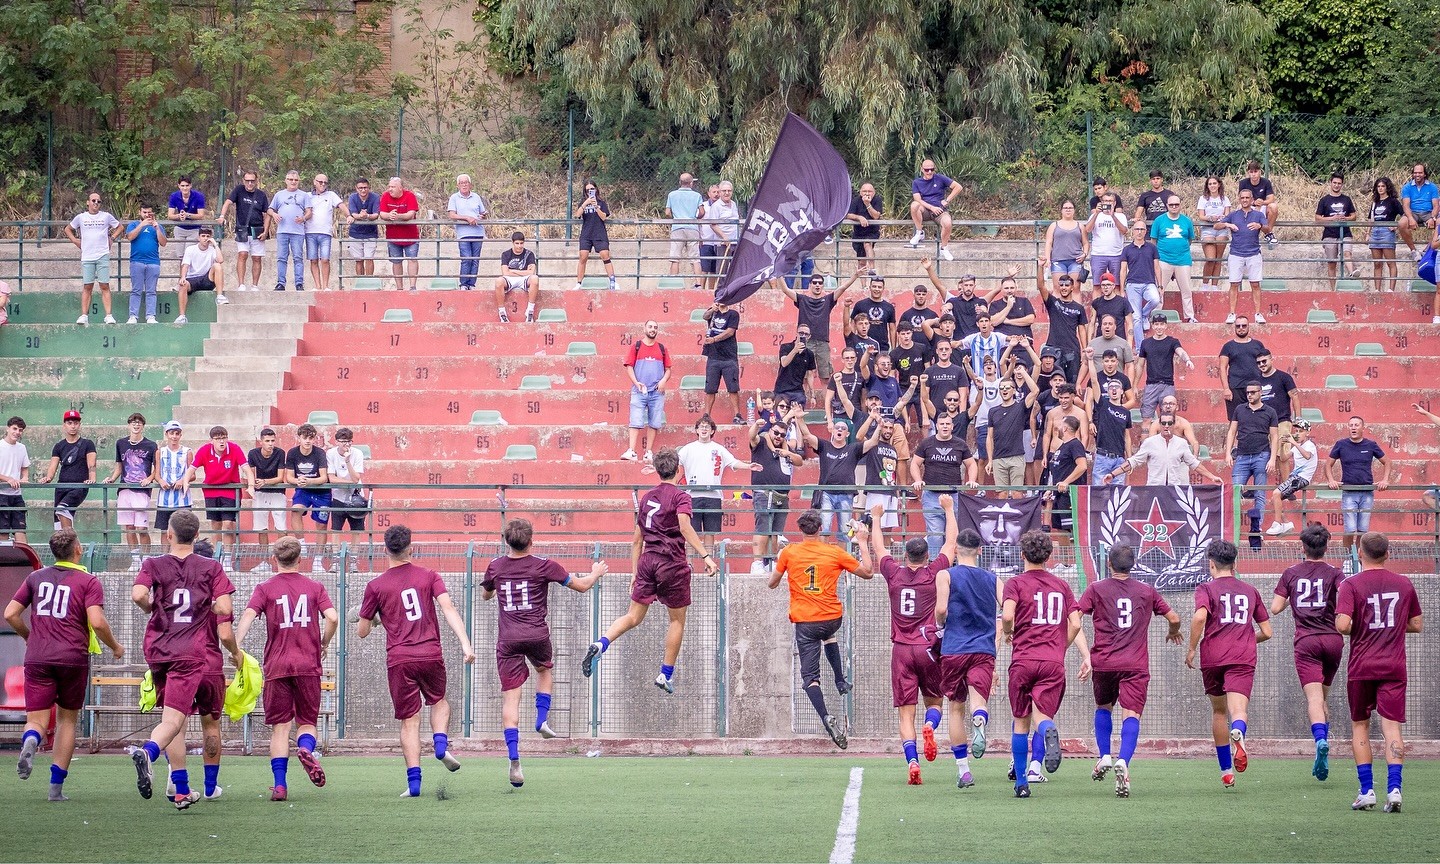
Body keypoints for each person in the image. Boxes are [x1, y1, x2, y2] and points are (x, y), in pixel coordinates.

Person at [128, 510, 240, 809]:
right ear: (196, 535)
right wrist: (207, 604)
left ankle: (180, 789)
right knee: (180, 721)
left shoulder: (153, 563)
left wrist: (151, 606)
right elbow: (225, 607)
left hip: (158, 648)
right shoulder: (210, 567)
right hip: (191, 652)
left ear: (169, 534)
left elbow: (138, 594)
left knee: (171, 715)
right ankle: (149, 752)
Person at [482, 519, 606, 788]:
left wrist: (494, 590)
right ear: (531, 540)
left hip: (508, 638)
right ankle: (541, 719)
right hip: (537, 634)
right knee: (544, 670)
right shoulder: (544, 564)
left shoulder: (495, 567)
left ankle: (514, 758)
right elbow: (582, 586)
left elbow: (486, 595)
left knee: (510, 699)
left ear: (506, 541)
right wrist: (596, 573)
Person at [582, 449, 718, 692]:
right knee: (676, 620)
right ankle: (665, 674)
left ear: (657, 471)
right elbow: (685, 527)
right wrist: (706, 556)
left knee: (633, 616)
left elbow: (636, 540)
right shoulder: (681, 497)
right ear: (679, 470)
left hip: (647, 561)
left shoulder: (646, 498)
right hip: (671, 563)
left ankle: (602, 643)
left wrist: (635, 572)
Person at [5, 529, 123, 801]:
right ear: (78, 550)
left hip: (38, 657)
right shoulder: (88, 581)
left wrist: (28, 636)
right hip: (72, 658)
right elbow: (97, 621)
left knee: (36, 719)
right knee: (67, 720)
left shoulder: (35, 578)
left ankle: (31, 740)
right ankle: (55, 789)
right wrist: (115, 646)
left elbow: (10, 614)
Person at [357, 524, 475, 797]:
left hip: (399, 658)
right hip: (430, 653)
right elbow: (448, 608)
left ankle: (414, 784)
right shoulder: (429, 576)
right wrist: (466, 644)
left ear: (385, 549)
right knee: (439, 701)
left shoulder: (375, 586)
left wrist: (374, 619)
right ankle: (441, 744)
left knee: (410, 721)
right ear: (411, 547)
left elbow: (361, 632)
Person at [234, 536, 338, 801]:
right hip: (307, 664)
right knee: (306, 722)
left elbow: (247, 615)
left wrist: (235, 647)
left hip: (278, 665)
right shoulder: (314, 587)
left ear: (273, 560)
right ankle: (305, 748)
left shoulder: (265, 588)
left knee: (280, 727)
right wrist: (323, 642)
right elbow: (333, 617)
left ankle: (280, 786)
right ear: (300, 559)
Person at [1079, 544, 1182, 797]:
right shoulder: (1147, 591)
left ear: (1109, 564)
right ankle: (1123, 761)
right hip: (1135, 664)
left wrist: (1082, 653)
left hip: (1103, 661)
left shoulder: (1096, 589)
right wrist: (1173, 632)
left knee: (1104, 707)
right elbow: (1175, 618)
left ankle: (1104, 756)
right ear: (1133, 564)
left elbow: (1076, 613)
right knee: (1131, 715)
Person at [769, 509, 874, 748]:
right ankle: (839, 680)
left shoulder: (789, 552)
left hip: (805, 621)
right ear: (820, 528)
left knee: (810, 679)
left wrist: (785, 570)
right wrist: (864, 543)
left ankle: (826, 717)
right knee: (828, 635)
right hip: (831, 617)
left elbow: (771, 583)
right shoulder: (834, 552)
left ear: (801, 530)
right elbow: (868, 572)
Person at [1335, 531, 1423, 812]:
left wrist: (1362, 625)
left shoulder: (1350, 585)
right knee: (1392, 728)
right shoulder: (1404, 584)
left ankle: (1366, 791)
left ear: (1359, 553)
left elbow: (1342, 625)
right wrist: (1392, 627)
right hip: (1394, 666)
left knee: (1361, 724)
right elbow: (1417, 624)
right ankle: (1395, 790)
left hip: (1362, 665)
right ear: (1387, 554)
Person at [869, 495, 952, 785]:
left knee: (905, 714)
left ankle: (913, 761)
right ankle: (931, 726)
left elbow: (878, 548)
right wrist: (949, 510)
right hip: (929, 648)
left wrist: (876, 519)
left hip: (902, 650)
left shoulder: (894, 574)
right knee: (935, 703)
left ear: (905, 556)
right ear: (927, 556)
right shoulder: (935, 573)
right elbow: (951, 543)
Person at [1002, 530, 1088, 797]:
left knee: (1020, 721)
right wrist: (1060, 645)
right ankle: (1049, 730)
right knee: (1042, 717)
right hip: (1052, 661)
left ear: (1022, 554)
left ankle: (1021, 784)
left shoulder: (1015, 583)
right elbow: (1076, 622)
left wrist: (1008, 632)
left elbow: (1007, 616)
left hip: (1023, 659)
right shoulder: (1061, 586)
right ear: (1049, 557)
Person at [1185, 539, 1272, 789]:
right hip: (1242, 657)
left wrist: (1191, 648)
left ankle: (1226, 771)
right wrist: (1244, 638)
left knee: (1218, 711)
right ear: (1235, 563)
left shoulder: (1206, 589)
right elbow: (1267, 631)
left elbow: (1200, 616)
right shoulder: (1249, 590)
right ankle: (1239, 732)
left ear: (1211, 564)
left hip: (1212, 656)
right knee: (1238, 710)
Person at [1269, 523, 1344, 783]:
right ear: (1326, 546)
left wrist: (1293, 596)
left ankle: (1321, 740)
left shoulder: (1291, 572)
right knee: (1323, 698)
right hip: (1334, 640)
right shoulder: (1336, 573)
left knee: (1313, 700)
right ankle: (1323, 749)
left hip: (1307, 642)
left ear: (1303, 547)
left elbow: (1275, 608)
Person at [933, 528, 1000, 789]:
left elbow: (940, 609)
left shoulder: (945, 574)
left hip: (954, 647)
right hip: (983, 648)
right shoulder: (993, 579)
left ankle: (963, 771)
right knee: (978, 700)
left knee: (955, 707)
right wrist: (1001, 632)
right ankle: (981, 718)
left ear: (955, 550)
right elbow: (1008, 610)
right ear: (980, 551)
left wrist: (940, 625)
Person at [676, 416, 759, 549]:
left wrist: (748, 466)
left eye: (707, 427)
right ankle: (689, 565)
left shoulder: (719, 448)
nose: (704, 429)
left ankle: (708, 566)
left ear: (712, 431)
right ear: (696, 430)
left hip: (713, 496)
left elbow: (733, 462)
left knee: (710, 534)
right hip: (692, 496)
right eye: (701, 427)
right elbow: (673, 463)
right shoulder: (688, 449)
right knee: (691, 533)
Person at [1325, 415, 1389, 572]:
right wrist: (1331, 480)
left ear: (1362, 427)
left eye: (1356, 425)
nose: (1353, 427)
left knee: (1362, 529)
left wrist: (1385, 480)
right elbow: (1328, 464)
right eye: (1351, 425)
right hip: (1349, 492)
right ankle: (1348, 559)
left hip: (1367, 492)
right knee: (1350, 529)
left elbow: (1387, 461)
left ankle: (1359, 558)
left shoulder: (1371, 444)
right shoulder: (1341, 444)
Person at [801, 418, 880, 543]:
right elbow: (807, 435)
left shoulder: (853, 449)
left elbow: (873, 441)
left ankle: (841, 561)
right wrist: (799, 418)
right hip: (827, 493)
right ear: (832, 430)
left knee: (844, 532)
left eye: (843, 429)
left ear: (847, 434)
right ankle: (823, 560)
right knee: (825, 528)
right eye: (837, 427)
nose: (840, 430)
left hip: (846, 494)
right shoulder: (823, 446)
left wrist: (879, 425)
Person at [912, 413, 979, 557]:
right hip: (931, 496)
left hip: (954, 496)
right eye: (942, 424)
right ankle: (936, 565)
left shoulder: (960, 444)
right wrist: (917, 479)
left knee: (953, 534)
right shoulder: (927, 443)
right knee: (935, 535)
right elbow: (914, 463)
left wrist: (972, 479)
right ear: (936, 426)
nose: (945, 426)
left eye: (948, 424)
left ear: (952, 426)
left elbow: (971, 464)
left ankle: (952, 564)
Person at [748, 408, 805, 573]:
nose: (778, 436)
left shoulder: (786, 449)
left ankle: (770, 562)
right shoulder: (761, 445)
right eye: (776, 433)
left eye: (782, 434)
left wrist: (786, 452)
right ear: (770, 431)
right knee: (763, 528)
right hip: (764, 492)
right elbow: (752, 436)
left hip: (782, 495)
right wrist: (757, 426)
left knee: (776, 532)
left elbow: (799, 461)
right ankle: (757, 562)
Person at [777, 271, 856, 385]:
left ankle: (826, 403)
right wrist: (778, 274)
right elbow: (785, 290)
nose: (817, 285)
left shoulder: (828, 300)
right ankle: (802, 402)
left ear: (823, 286)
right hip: (805, 343)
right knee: (802, 377)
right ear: (810, 285)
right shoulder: (802, 299)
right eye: (815, 282)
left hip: (823, 343)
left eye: (820, 283)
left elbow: (842, 288)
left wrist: (855, 275)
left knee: (825, 377)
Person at [1226, 380, 1278, 546]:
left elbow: (1275, 437)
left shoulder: (1269, 411)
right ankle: (1232, 531)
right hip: (1241, 456)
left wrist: (1272, 458)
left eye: (1253, 392)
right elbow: (1232, 431)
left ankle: (1256, 529)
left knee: (1260, 494)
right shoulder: (1240, 409)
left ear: (1260, 392)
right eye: (1248, 392)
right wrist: (1227, 453)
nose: (1249, 395)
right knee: (1234, 493)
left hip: (1261, 455)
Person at [1104, 414, 1222, 486]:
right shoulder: (1150, 442)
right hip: (1154, 489)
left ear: (1173, 425)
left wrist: (1212, 477)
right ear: (1159, 425)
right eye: (1163, 423)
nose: (1166, 426)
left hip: (1174, 490)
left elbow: (1194, 464)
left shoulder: (1181, 443)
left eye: (1169, 423)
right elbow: (1133, 461)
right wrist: (1113, 474)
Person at [104, 412, 157, 570]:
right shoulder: (121, 443)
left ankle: (146, 559)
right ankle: (135, 560)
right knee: (128, 526)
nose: (136, 425)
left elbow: (157, 469)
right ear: (129, 425)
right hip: (124, 488)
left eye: (139, 422)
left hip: (141, 490)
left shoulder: (151, 445)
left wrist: (150, 479)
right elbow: (119, 466)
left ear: (143, 426)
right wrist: (112, 478)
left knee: (141, 527)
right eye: (133, 422)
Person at [64, 192, 122, 325]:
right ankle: (84, 315)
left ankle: (108, 315)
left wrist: (112, 239)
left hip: (102, 254)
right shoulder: (81, 217)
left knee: (104, 285)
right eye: (93, 200)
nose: (96, 203)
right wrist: (75, 241)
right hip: (87, 255)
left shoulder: (106, 216)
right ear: (88, 202)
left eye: (98, 201)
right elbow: (68, 229)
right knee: (87, 286)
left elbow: (119, 227)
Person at [186, 425, 245, 550]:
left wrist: (250, 486)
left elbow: (246, 467)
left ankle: (228, 557)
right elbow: (192, 468)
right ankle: (217, 555)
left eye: (224, 438)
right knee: (216, 525)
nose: (221, 441)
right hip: (211, 492)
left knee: (228, 524)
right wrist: (185, 482)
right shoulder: (204, 450)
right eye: (218, 438)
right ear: (211, 440)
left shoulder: (234, 449)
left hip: (230, 491)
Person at [619, 320, 670, 463]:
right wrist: (636, 383)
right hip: (639, 390)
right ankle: (632, 451)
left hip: (656, 391)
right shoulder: (636, 346)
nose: (653, 329)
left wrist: (663, 381)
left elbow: (668, 370)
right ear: (644, 328)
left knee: (654, 422)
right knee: (635, 420)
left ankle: (648, 452)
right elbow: (629, 367)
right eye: (650, 327)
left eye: (655, 327)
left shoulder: (662, 348)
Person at [285, 423, 332, 572]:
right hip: (303, 490)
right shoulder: (292, 453)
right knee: (295, 511)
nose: (307, 441)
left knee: (322, 525)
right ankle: (301, 543)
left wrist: (309, 481)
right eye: (305, 438)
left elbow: (324, 477)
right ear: (299, 438)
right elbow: (289, 477)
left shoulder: (319, 453)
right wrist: (297, 481)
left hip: (321, 491)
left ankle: (318, 560)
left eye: (311, 438)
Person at [42, 410, 96, 532]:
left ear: (79, 425)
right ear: (64, 425)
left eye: (75, 423)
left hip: (78, 486)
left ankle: (72, 545)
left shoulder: (87, 444)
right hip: (61, 486)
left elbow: (91, 463)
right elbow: (53, 465)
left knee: (62, 509)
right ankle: (66, 547)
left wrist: (92, 477)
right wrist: (48, 478)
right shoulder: (59, 446)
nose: (73, 426)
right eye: (70, 423)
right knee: (57, 524)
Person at [1220, 189, 1268, 324]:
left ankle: (1258, 314)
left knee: (1255, 284)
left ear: (1252, 199)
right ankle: (1232, 314)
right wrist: (1227, 224)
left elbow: (1267, 229)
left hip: (1254, 254)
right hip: (1236, 254)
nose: (1245, 200)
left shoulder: (1258, 214)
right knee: (1234, 284)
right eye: (1242, 198)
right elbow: (1217, 225)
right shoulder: (1233, 215)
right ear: (1239, 199)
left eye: (1247, 198)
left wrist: (1260, 225)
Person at [1135, 313, 1194, 420]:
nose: (1159, 327)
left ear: (1166, 325)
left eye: (1161, 324)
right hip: (1150, 386)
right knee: (1146, 419)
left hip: (1167, 386)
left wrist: (1187, 359)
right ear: (1152, 325)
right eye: (1156, 324)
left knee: (1168, 418)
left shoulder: (1172, 342)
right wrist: (1135, 385)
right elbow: (1140, 364)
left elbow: (1180, 351)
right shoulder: (1145, 343)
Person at [1265, 417, 1318, 535]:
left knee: (1276, 493)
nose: (1297, 434)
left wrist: (1293, 442)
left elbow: (1308, 456)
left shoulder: (1310, 445)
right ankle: (1286, 522)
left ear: (1307, 433)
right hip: (1295, 477)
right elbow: (1283, 458)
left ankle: (1277, 523)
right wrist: (1282, 446)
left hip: (1302, 478)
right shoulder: (1295, 447)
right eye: (1296, 431)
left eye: (1301, 431)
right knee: (1274, 499)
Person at [1150, 195, 1198, 324]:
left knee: (1186, 290)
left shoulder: (1187, 221)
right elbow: (1153, 241)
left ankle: (1189, 316)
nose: (1174, 207)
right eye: (1171, 205)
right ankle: (1156, 315)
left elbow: (1189, 240)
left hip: (1183, 260)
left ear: (1180, 205)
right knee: (1159, 289)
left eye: (1176, 204)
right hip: (1163, 259)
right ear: (1167, 206)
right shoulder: (1159, 221)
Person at [1036, 264, 1087, 385]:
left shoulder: (1079, 308)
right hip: (1054, 349)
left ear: (1072, 287)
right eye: (1061, 285)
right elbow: (1040, 286)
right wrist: (1040, 267)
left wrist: (1084, 349)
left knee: (1071, 385)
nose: (1064, 287)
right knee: (1054, 384)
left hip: (1072, 350)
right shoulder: (1053, 303)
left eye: (1067, 285)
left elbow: (1082, 330)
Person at [245, 427, 288, 570]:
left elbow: (281, 477)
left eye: (272, 441)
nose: (270, 444)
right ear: (261, 441)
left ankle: (284, 560)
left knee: (281, 527)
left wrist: (264, 482)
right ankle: (265, 562)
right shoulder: (253, 453)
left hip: (277, 493)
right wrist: (255, 482)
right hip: (260, 493)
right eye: (267, 441)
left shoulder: (280, 453)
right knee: (261, 527)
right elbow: (251, 474)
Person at [220, 170, 269, 292]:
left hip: (257, 230)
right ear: (243, 181)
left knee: (257, 258)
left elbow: (268, 213)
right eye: (247, 181)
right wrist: (222, 216)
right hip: (242, 229)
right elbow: (228, 202)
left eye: (252, 181)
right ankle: (241, 284)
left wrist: (266, 231)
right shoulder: (239, 190)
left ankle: (255, 285)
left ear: (256, 181)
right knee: (242, 254)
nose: (250, 183)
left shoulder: (261, 195)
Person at [907, 160, 963, 259]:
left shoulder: (940, 178)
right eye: (926, 170)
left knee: (947, 222)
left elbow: (958, 187)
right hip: (925, 210)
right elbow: (917, 199)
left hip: (940, 210)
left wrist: (947, 200)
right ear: (922, 170)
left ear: (934, 169)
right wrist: (931, 207)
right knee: (914, 205)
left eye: (931, 169)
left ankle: (944, 248)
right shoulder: (917, 182)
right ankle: (919, 232)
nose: (929, 172)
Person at [268, 170, 313, 292]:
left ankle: (299, 283)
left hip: (298, 232)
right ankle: (280, 283)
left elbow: (309, 211)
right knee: (281, 258)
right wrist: (274, 215)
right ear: (286, 180)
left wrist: (303, 218)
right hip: (282, 231)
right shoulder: (279, 195)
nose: (293, 182)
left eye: (296, 180)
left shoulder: (304, 195)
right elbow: (270, 209)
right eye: (291, 179)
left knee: (298, 257)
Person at [123, 204, 169, 325]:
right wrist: (142, 225)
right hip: (136, 261)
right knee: (136, 290)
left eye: (149, 212)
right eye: (144, 212)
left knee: (151, 291)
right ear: (140, 212)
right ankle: (133, 316)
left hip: (153, 262)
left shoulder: (157, 226)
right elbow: (130, 237)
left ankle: (151, 316)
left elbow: (163, 243)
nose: (147, 215)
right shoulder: (133, 225)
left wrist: (157, 228)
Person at [1217, 316, 1269, 420]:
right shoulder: (1228, 346)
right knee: (1235, 420)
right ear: (1235, 328)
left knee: (1258, 418)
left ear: (1248, 327)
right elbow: (1222, 368)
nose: (1241, 328)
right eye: (1238, 326)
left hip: (1255, 387)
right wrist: (1226, 389)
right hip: (1235, 388)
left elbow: (1265, 364)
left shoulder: (1258, 345)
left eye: (1244, 325)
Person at [1046, 415, 1088, 542]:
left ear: (1065, 428)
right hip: (1058, 494)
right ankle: (1065, 562)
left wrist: (1066, 482)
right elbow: (1059, 470)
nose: (1057, 428)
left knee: (1072, 530)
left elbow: (1082, 466)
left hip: (1069, 494)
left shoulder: (1075, 445)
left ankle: (1077, 561)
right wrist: (1051, 489)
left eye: (1060, 426)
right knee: (1061, 529)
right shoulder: (1063, 446)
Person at [1315, 172, 1360, 290]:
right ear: (1330, 183)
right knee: (1332, 263)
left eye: (1339, 183)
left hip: (1345, 232)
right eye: (1334, 183)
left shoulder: (1346, 199)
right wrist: (1332, 219)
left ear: (1342, 185)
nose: (1336, 185)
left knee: (1347, 253)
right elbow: (1318, 218)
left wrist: (1346, 218)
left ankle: (1352, 272)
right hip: (1329, 234)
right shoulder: (1324, 200)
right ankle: (1333, 290)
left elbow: (1354, 216)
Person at [1118, 221, 1161, 343]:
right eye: (1137, 229)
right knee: (1135, 318)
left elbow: (1157, 267)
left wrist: (1160, 285)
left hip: (1149, 283)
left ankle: (1144, 314)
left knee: (1155, 299)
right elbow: (1123, 270)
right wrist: (1122, 289)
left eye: (1142, 229)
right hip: (1132, 285)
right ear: (1133, 231)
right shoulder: (1127, 250)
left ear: (1146, 231)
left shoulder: (1152, 248)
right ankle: (1140, 347)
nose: (1139, 232)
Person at [700, 302, 743, 423]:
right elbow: (705, 316)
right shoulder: (713, 312)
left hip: (729, 357)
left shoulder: (733, 314)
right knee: (710, 389)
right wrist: (712, 309)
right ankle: (706, 415)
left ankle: (737, 415)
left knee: (733, 388)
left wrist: (714, 339)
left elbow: (730, 332)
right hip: (713, 357)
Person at [571, 178, 616, 290]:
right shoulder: (583, 202)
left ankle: (613, 281)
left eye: (592, 189)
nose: (590, 191)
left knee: (605, 255)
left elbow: (604, 217)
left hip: (599, 232)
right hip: (587, 233)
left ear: (596, 189)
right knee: (583, 256)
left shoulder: (601, 203)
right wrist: (586, 203)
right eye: (587, 190)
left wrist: (596, 206)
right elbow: (577, 214)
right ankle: (579, 283)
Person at [447, 173, 489, 291]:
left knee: (475, 259)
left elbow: (483, 212)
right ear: (458, 185)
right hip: (463, 233)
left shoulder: (476, 197)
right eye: (462, 183)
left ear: (470, 184)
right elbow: (452, 215)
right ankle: (464, 284)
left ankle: (472, 284)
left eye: (466, 182)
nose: (464, 185)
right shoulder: (454, 198)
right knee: (466, 258)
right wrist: (466, 218)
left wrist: (482, 216)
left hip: (477, 232)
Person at [175, 226, 225, 324]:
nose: (205, 238)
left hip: (207, 279)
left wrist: (215, 244)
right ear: (198, 237)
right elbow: (185, 265)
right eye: (203, 236)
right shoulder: (190, 249)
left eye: (207, 236)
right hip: (192, 279)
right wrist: (183, 277)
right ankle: (182, 317)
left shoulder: (212, 249)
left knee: (217, 266)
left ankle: (219, 296)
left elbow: (220, 260)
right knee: (182, 285)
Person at [379, 176, 421, 292]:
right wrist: (389, 216)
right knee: (396, 261)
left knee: (412, 259)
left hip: (410, 236)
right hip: (393, 237)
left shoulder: (410, 196)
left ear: (400, 188)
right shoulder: (385, 196)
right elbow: (382, 213)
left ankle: (412, 286)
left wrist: (398, 217)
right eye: (389, 186)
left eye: (393, 187)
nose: (390, 189)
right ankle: (399, 288)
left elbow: (411, 214)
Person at [1089, 379, 1133, 486]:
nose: (1114, 389)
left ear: (1122, 391)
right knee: (1099, 494)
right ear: (1108, 392)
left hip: (1119, 459)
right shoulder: (1103, 404)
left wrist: (1130, 460)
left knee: (1117, 496)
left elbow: (1126, 436)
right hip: (1103, 457)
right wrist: (1090, 361)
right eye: (1110, 387)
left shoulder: (1126, 413)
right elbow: (1094, 382)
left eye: (1116, 387)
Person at [326, 427, 368, 538]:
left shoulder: (358, 453)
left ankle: (354, 555)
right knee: (336, 529)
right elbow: (331, 478)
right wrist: (349, 482)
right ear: (336, 442)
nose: (347, 444)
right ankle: (335, 554)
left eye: (349, 441)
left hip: (356, 497)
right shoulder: (330, 453)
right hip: (338, 496)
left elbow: (356, 479)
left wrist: (348, 461)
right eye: (343, 441)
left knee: (356, 530)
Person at [304, 174, 343, 291]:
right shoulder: (307, 196)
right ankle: (317, 286)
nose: (322, 184)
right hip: (310, 232)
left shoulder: (331, 195)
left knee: (325, 259)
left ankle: (326, 286)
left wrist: (350, 216)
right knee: (313, 260)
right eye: (320, 182)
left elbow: (342, 206)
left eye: (325, 182)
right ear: (314, 182)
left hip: (325, 233)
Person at [154, 421, 191, 539]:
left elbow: (192, 474)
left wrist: (182, 480)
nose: (174, 436)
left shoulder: (187, 452)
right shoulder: (160, 452)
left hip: (183, 500)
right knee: (165, 531)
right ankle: (166, 556)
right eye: (172, 433)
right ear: (167, 434)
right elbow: (157, 474)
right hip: (164, 500)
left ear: (181, 435)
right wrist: (161, 481)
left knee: (184, 531)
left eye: (177, 433)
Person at [666, 173, 704, 286]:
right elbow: (702, 212)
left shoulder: (672, 195)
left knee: (675, 257)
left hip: (677, 227)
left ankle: (673, 283)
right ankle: (698, 284)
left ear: (680, 182)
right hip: (692, 227)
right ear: (691, 183)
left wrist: (675, 216)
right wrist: (696, 217)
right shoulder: (697, 196)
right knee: (695, 258)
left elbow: (667, 212)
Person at [1195, 175, 1232, 293]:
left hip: (1221, 228)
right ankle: (1205, 284)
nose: (1212, 186)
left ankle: (1215, 285)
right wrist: (1210, 218)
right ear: (1207, 186)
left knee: (1218, 259)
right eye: (1210, 184)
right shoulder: (1203, 199)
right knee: (1210, 258)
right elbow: (1200, 215)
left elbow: (1227, 215)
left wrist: (1221, 218)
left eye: (1214, 183)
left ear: (1219, 184)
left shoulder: (1224, 199)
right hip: (1207, 228)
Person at [1042, 201, 1088, 295]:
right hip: (1058, 261)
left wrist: (1084, 254)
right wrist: (1047, 259)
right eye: (1065, 208)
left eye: (1070, 208)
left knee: (1075, 288)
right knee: (1058, 288)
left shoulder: (1080, 226)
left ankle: (1077, 309)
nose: (1068, 210)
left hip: (1075, 261)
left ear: (1074, 210)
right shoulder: (1054, 225)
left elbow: (1086, 243)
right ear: (1061, 210)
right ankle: (1056, 309)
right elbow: (1049, 243)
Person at [494, 231, 541, 323]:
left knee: (535, 279)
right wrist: (523, 272)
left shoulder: (529, 254)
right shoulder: (506, 254)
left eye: (521, 243)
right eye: (517, 243)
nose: (519, 246)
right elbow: (505, 273)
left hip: (524, 279)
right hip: (510, 279)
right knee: (498, 281)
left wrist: (513, 271)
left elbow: (531, 272)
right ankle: (502, 312)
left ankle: (530, 311)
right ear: (512, 243)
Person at [1367, 177, 1402, 293]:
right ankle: (1377, 289)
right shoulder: (1374, 203)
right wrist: (1368, 233)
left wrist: (1396, 226)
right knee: (1377, 263)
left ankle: (1391, 289)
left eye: (1382, 186)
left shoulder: (1393, 201)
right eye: (1378, 186)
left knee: (1390, 262)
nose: (1380, 188)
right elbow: (1370, 219)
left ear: (1387, 187)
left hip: (1387, 232)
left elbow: (1404, 215)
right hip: (1375, 232)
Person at [1398, 162, 1437, 262]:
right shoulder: (1407, 187)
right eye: (1415, 173)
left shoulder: (1432, 187)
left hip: (1428, 212)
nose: (1417, 175)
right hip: (1413, 212)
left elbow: (1436, 205)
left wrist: (1433, 218)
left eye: (1420, 172)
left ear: (1424, 174)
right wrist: (1410, 218)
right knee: (1401, 223)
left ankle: (1426, 250)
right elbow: (1406, 205)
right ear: (1412, 174)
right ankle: (1413, 251)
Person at [1085, 192, 1128, 282]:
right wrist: (1096, 214)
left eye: (1110, 201)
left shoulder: (1121, 216)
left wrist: (1113, 216)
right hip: (1098, 254)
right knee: (1097, 284)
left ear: (1115, 203)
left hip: (1116, 254)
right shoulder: (1095, 215)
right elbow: (1088, 229)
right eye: (1105, 201)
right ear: (1101, 202)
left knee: (1116, 284)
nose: (1108, 203)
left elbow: (1124, 231)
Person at [1237, 160, 1280, 249]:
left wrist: (1262, 202)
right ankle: (1242, 235)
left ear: (1260, 172)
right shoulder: (1243, 183)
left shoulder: (1266, 182)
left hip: (1263, 207)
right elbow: (1241, 198)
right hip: (1250, 207)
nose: (1253, 174)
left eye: (1255, 171)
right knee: (1239, 207)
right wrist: (1252, 202)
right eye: (1251, 172)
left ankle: (1268, 232)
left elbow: (1271, 198)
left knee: (1273, 206)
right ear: (1248, 173)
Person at [0, 417, 29, 543]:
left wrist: (24, 478)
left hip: (17, 495)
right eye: (15, 429)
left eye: (20, 430)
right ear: (8, 428)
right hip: (1, 494)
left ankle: (25, 562)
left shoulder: (22, 448)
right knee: (3, 533)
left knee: (21, 530)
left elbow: (25, 467)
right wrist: (8, 479)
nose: (17, 432)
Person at [345, 178, 381, 278]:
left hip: (370, 232)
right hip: (355, 233)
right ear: (356, 189)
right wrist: (360, 216)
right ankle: (360, 281)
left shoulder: (375, 197)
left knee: (369, 258)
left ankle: (369, 281)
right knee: (359, 259)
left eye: (365, 188)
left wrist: (367, 216)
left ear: (369, 188)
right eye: (360, 188)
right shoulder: (352, 197)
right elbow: (353, 214)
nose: (363, 190)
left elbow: (376, 215)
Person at [773, 324, 817, 407]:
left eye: (806, 334)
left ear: (809, 336)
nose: (803, 336)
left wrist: (813, 396)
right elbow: (784, 363)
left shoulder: (809, 354)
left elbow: (810, 375)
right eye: (801, 333)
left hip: (797, 391)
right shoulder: (786, 347)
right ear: (796, 333)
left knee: (798, 415)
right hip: (782, 390)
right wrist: (795, 350)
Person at [851, 276, 897, 352]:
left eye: (879, 287)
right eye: (874, 286)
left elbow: (892, 329)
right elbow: (852, 325)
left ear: (883, 289)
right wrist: (852, 344)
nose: (876, 289)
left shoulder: (889, 307)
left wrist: (894, 350)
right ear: (870, 287)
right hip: (863, 347)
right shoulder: (860, 305)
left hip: (883, 349)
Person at [846, 182, 883, 272]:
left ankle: (872, 269)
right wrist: (859, 218)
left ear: (873, 192)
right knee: (861, 261)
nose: (867, 193)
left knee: (867, 244)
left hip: (872, 231)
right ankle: (863, 286)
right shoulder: (856, 200)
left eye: (869, 191)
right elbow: (848, 215)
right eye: (864, 191)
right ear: (860, 192)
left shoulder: (877, 200)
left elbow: (876, 216)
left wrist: (867, 204)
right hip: (859, 233)